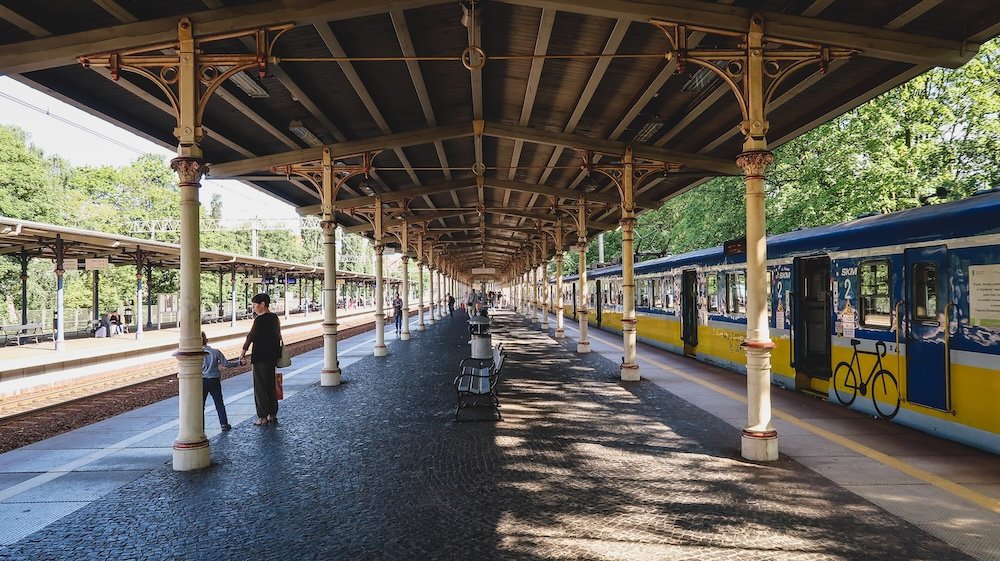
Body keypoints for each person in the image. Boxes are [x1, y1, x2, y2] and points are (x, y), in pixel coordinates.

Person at [240, 293, 282, 426]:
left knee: (260, 387)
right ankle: (272, 413)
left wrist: (243, 352)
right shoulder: (275, 318)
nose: (254, 308)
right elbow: (278, 336)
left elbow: (251, 336)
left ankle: (262, 417)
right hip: (272, 357)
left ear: (262, 304)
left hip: (260, 357)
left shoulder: (260, 320)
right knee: (271, 385)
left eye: (255, 305)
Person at [202, 332, 236, 431]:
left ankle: (201, 428)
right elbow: (226, 364)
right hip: (214, 380)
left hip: (202, 381)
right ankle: (224, 424)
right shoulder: (215, 352)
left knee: (200, 406)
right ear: (206, 340)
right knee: (219, 403)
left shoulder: (196, 354)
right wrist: (238, 363)